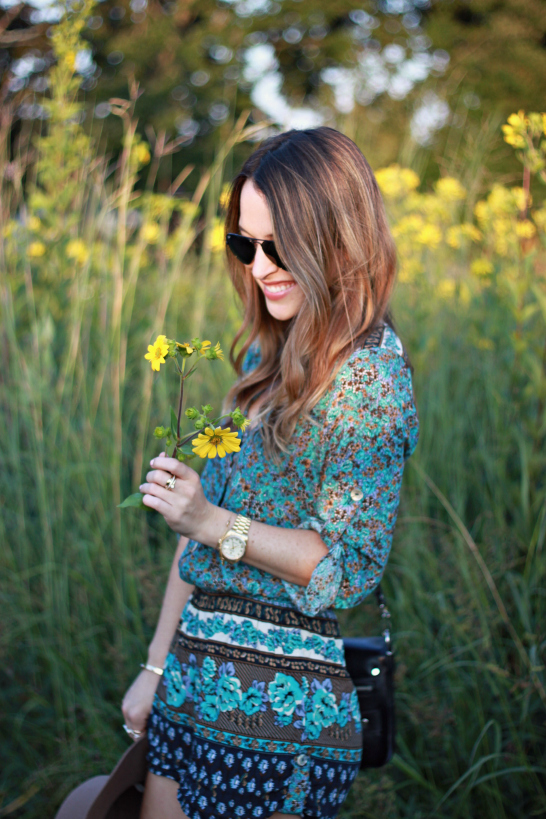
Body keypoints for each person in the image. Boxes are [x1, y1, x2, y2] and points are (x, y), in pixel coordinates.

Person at [121, 126, 419, 819]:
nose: (258, 266)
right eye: (243, 244)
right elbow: (192, 535)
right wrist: (156, 666)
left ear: (337, 234)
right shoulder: (267, 354)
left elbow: (342, 565)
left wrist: (211, 520)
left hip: (279, 709)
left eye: (277, 245)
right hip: (192, 678)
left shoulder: (371, 377)